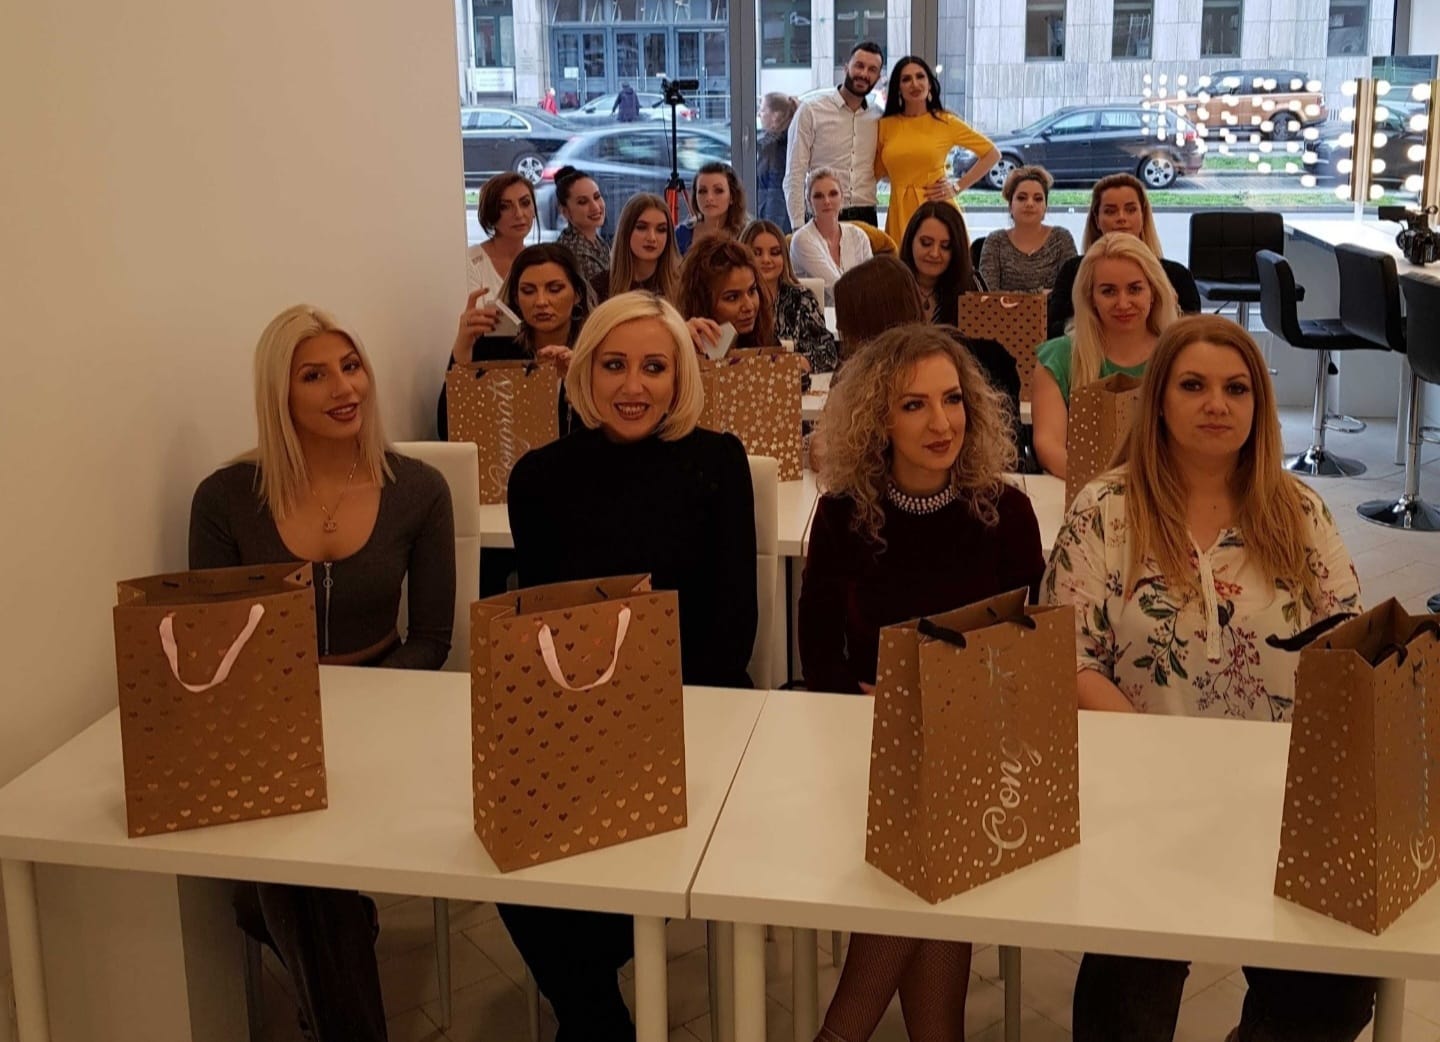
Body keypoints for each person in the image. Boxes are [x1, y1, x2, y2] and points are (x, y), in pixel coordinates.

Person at [1042, 314, 1372, 1042]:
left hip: (1277, 796)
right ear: (1159, 399)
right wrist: (1167, 763)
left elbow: (1349, 648)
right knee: (1124, 1008)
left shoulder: (1300, 511)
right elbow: (1067, 657)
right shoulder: (1105, 510)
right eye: (1193, 386)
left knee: (1333, 998)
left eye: (1236, 389)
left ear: (1258, 404)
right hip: (1143, 799)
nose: (1216, 404)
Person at [190, 304, 456, 1042]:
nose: (344, 388)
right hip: (266, 725)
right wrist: (290, 723)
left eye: (351, 365)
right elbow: (214, 644)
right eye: (314, 375)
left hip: (390, 710)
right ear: (279, 393)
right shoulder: (224, 498)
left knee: (286, 887)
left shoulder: (418, 488)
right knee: (293, 884)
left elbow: (433, 639)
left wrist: (354, 711)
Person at [499, 292, 758, 1042]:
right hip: (574, 720)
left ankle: (590, 1016)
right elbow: (544, 625)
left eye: (654, 367)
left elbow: (732, 625)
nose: (633, 386)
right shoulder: (538, 477)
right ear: (585, 372)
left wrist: (648, 726)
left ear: (680, 377)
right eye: (614, 365)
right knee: (510, 853)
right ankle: (599, 1020)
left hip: (696, 712)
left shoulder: (718, 462)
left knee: (611, 871)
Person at [799, 324, 1043, 1042]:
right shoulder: (843, 515)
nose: (941, 423)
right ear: (879, 420)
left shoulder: (1008, 513)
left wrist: (950, 711)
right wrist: (871, 705)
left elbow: (1026, 655)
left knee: (929, 846)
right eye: (914, 405)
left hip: (980, 748)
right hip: (867, 746)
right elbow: (819, 654)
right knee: (924, 852)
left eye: (952, 400)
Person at [1031, 233, 1179, 479]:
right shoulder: (1058, 358)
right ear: (1091, 298)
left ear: (1153, 291)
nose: (1123, 303)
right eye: (1109, 291)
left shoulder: (1179, 357)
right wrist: (1106, 487)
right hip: (1082, 491)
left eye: (1135, 289)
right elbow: (1048, 446)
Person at [440, 241, 590, 438]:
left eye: (554, 289)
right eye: (528, 291)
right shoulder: (496, 349)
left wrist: (579, 382)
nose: (541, 301)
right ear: (516, 298)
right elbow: (449, 430)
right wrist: (462, 349)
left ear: (577, 294)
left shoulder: (596, 351)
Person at [1046, 172, 1202, 337]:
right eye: (1110, 211)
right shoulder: (1073, 272)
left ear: (1143, 216)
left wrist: (1168, 310)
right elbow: (1052, 330)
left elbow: (1193, 336)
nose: (1121, 218)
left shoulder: (1177, 276)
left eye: (1130, 210)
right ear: (1097, 220)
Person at [876, 55, 999, 244]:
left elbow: (991, 154)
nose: (914, 84)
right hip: (899, 212)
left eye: (920, 76)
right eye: (906, 79)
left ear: (930, 83)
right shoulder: (885, 125)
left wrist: (956, 187)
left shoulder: (945, 122)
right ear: (898, 88)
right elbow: (877, 171)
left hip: (937, 209)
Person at [784, 41, 886, 229]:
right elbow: (794, 174)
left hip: (866, 219)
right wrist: (798, 227)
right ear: (846, 67)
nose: (864, 74)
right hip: (822, 214)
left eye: (872, 70)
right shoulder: (811, 111)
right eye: (859, 66)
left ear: (878, 78)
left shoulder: (878, 117)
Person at [741, 218, 838, 372]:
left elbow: (828, 353)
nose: (766, 260)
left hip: (795, 381)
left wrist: (796, 362)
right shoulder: (735, 303)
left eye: (775, 253)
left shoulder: (802, 298)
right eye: (757, 253)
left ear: (784, 257)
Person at [977, 164, 1077, 293]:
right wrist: (1041, 294)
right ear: (1010, 206)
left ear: (1045, 207)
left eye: (1038, 199)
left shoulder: (1061, 239)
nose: (1030, 204)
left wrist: (1012, 296)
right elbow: (988, 297)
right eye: (1022, 198)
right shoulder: (995, 242)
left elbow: (1071, 293)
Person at [675, 235, 778, 354]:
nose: (749, 306)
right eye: (732, 297)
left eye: (752, 291)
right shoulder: (682, 348)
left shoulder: (767, 340)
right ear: (704, 301)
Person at [789, 167, 874, 303]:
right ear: (809, 202)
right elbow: (837, 289)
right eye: (818, 196)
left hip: (858, 311)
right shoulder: (802, 240)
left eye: (833, 194)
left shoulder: (859, 235)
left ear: (842, 198)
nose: (827, 201)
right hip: (817, 314)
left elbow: (871, 284)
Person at [897, 200, 978, 326]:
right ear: (910, 241)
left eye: (945, 246)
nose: (934, 253)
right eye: (926, 243)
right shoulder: (889, 284)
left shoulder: (972, 285)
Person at [591, 193, 680, 302]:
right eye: (641, 227)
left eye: (661, 230)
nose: (652, 238)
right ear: (626, 231)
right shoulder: (600, 287)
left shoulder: (683, 285)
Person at [467, 172, 536, 294]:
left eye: (525, 203)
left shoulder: (540, 262)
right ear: (490, 213)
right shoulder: (470, 261)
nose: (519, 214)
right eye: (505, 207)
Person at [553, 165, 611, 283]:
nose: (595, 207)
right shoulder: (576, 255)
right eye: (583, 202)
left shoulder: (595, 240)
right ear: (565, 211)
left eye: (597, 197)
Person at [675, 162, 748, 255]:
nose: (709, 198)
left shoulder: (747, 234)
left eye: (718, 191)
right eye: (702, 191)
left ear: (732, 197)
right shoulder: (681, 234)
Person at [757, 92, 798, 232]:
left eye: (763, 110)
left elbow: (776, 196)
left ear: (775, 115)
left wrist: (770, 230)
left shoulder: (777, 148)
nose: (759, 114)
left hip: (776, 225)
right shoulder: (774, 144)